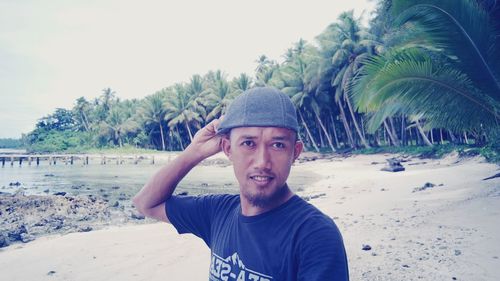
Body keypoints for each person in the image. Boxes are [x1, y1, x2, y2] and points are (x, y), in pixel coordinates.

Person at [133, 87, 349, 281]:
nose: (262, 162)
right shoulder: (217, 213)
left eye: (277, 145)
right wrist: (194, 152)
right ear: (228, 149)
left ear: (295, 152)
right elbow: (146, 204)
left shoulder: (314, 234)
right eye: (248, 143)